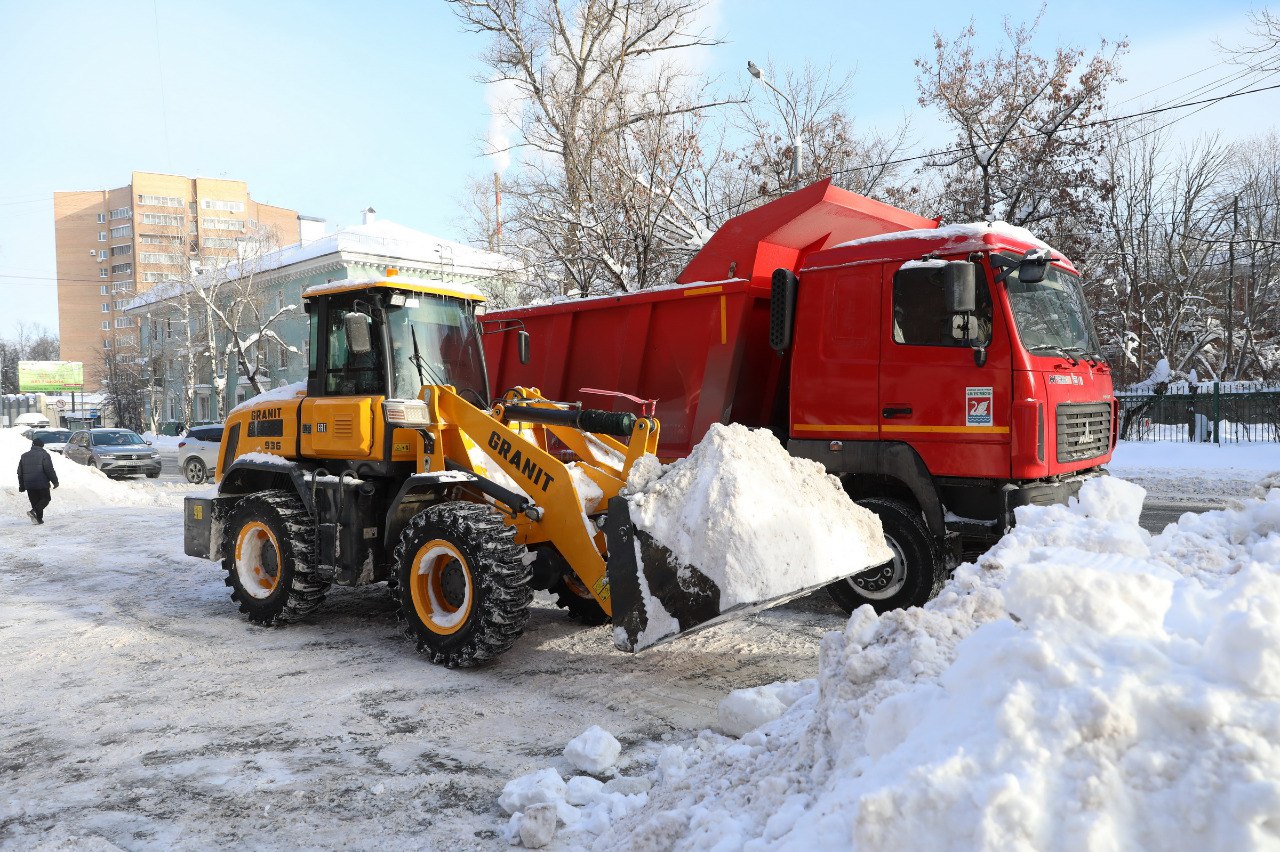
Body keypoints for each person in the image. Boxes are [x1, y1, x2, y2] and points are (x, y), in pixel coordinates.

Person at [17, 436, 59, 525]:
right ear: (42, 446)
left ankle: (38, 519)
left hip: (29, 485)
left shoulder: (24, 456)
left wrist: (22, 485)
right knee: (46, 498)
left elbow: (20, 472)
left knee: (35, 502)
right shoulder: (44, 455)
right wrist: (55, 481)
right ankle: (34, 512)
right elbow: (49, 469)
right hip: (42, 483)